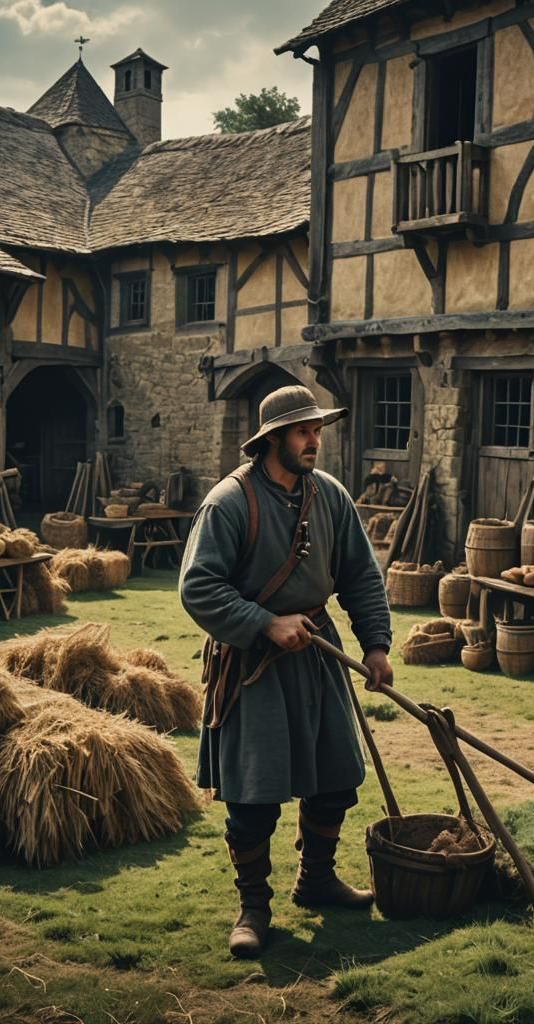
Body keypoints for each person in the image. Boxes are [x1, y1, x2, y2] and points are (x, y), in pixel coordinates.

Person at [179, 385, 394, 958]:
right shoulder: (229, 502)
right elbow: (198, 588)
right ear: (272, 438)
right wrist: (264, 623)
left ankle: (316, 880)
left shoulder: (331, 497)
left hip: (319, 654)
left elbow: (361, 575)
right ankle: (253, 907)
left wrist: (375, 645)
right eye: (303, 431)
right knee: (253, 797)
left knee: (335, 778)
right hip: (253, 665)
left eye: (318, 430)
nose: (314, 441)